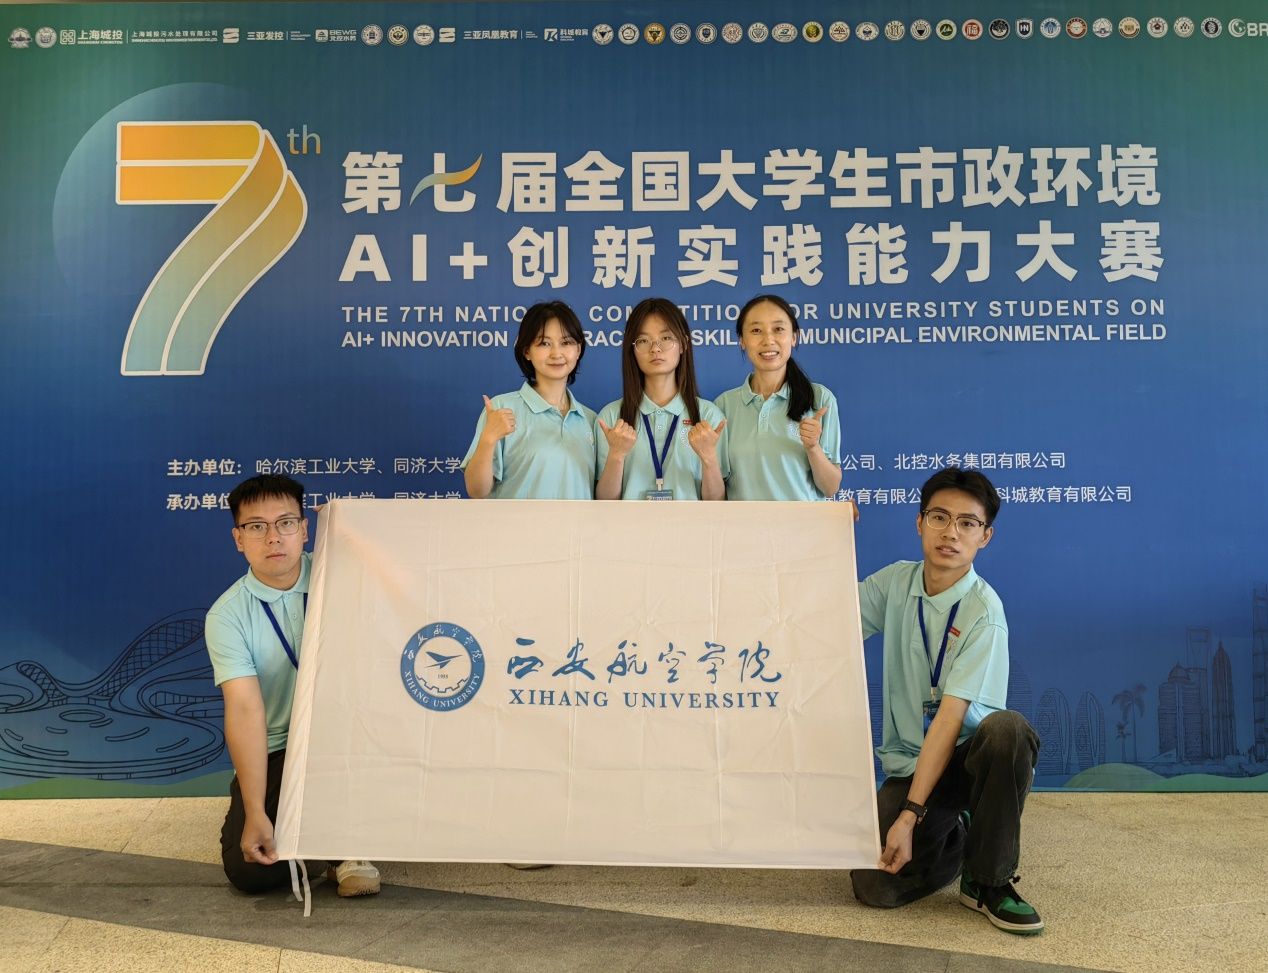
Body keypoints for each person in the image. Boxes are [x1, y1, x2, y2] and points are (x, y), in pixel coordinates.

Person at [851, 467, 1042, 934]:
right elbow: (827, 617)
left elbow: (950, 718)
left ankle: (989, 879)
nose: (951, 533)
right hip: (912, 765)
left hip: (968, 760)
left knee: (1007, 730)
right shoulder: (895, 583)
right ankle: (962, 835)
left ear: (985, 536)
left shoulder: (984, 611)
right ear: (920, 522)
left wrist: (910, 816)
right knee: (875, 887)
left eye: (967, 523)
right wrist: (828, 538)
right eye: (939, 517)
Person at [205, 474, 380, 897]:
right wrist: (255, 811)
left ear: (304, 529)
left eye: (285, 523)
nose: (273, 537)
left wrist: (354, 526)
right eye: (256, 526)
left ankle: (343, 842)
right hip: (283, 749)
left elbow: (408, 569)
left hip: (352, 735)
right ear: (238, 539)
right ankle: (329, 839)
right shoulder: (227, 616)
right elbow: (245, 711)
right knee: (252, 872)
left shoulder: (342, 576)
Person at [595, 297, 728, 500]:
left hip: (691, 521)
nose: (655, 348)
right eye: (643, 340)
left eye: (666, 338)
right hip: (629, 522)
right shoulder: (612, 416)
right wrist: (616, 455)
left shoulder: (708, 415)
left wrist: (709, 457)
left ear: (683, 344)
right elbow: (604, 502)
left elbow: (717, 502)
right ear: (632, 350)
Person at [462, 301, 596, 500]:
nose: (556, 353)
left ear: (578, 349)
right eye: (544, 343)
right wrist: (488, 439)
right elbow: (476, 491)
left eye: (566, 342)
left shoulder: (591, 419)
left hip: (579, 522)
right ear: (526, 351)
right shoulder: (501, 408)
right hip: (515, 522)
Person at [714, 294, 842, 501]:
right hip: (743, 523)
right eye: (756, 330)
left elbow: (830, 488)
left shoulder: (819, 399)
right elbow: (715, 490)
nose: (768, 340)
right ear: (742, 341)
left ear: (794, 337)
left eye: (778, 329)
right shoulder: (723, 406)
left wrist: (813, 447)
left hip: (802, 522)